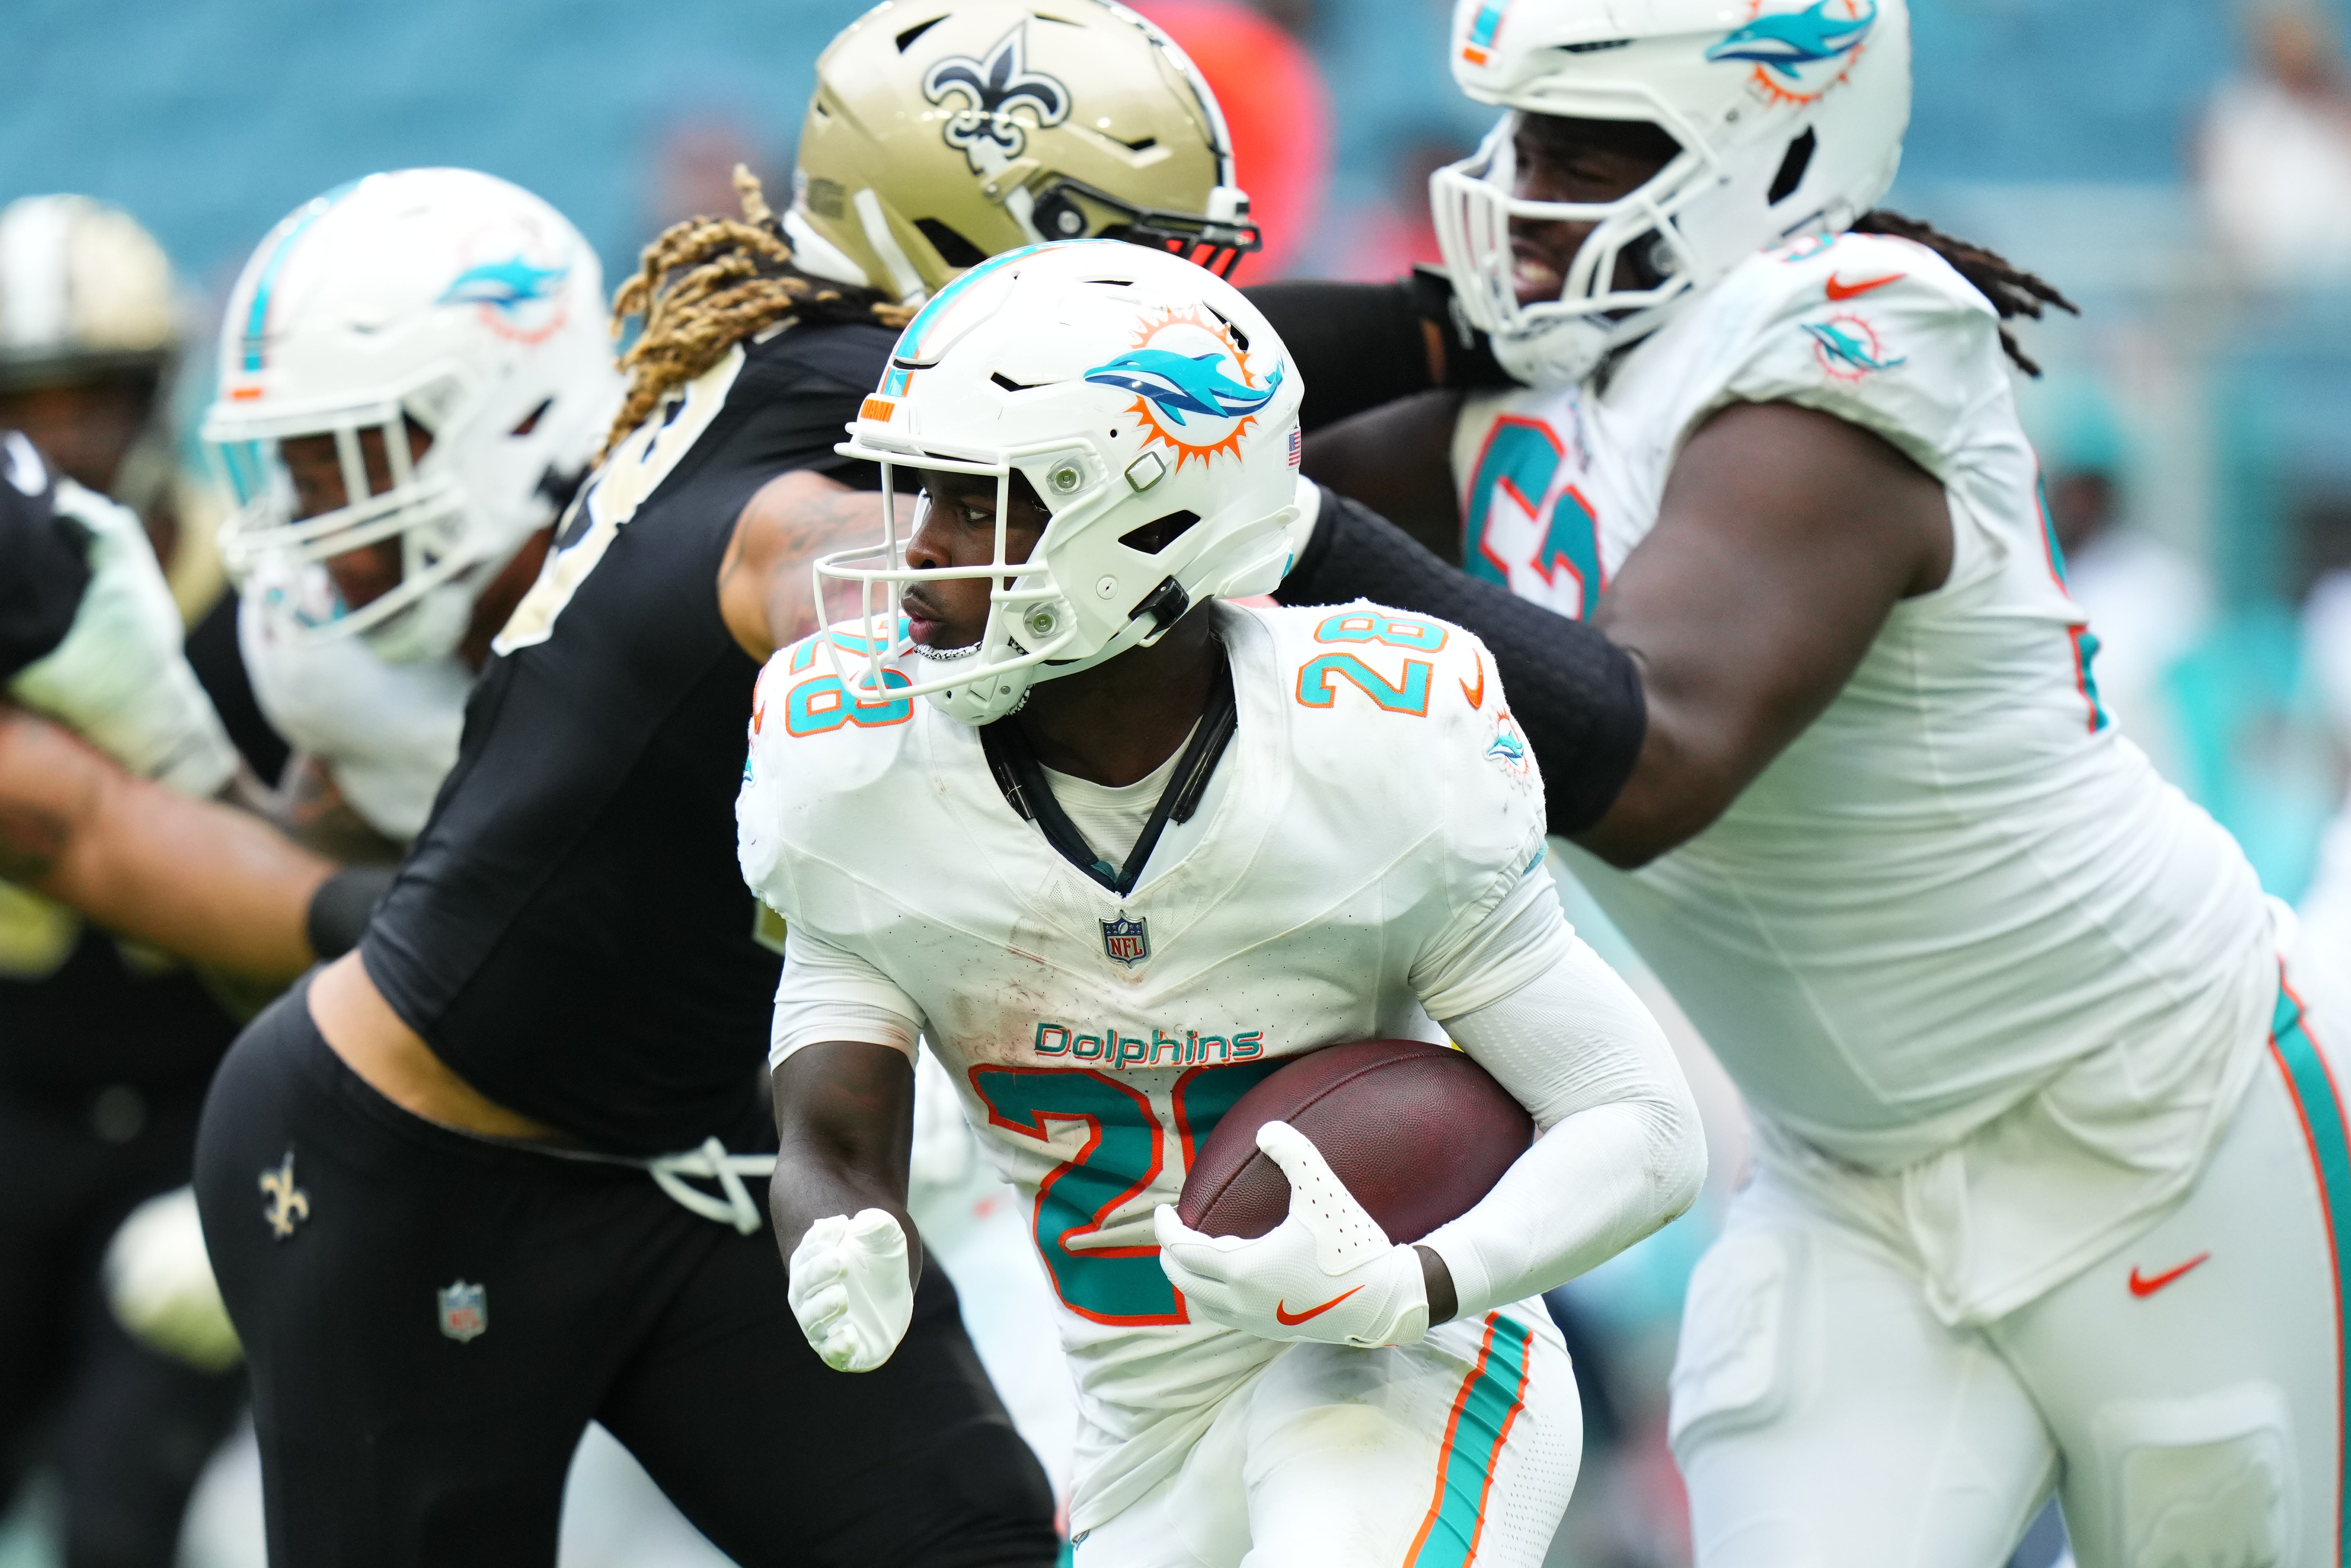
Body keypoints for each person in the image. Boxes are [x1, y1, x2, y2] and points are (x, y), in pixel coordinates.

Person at [1246, 2, 2339, 1564]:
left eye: (1580, 148)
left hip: (2156, 1126)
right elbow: (1188, 409)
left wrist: (1291, 530)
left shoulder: (1860, 322)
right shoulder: (1552, 363)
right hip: (1847, 1181)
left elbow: (1657, 754)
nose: (1515, 188)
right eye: (1513, 138)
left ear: (1765, 137)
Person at [188, 4, 1265, 1561]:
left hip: (708, 1151)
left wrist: (1417, 342)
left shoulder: (804, 384)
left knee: (965, 1535)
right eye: (1128, 268)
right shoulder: (819, 473)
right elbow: (836, 567)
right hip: (420, 1155)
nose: (1169, 323)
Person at [741, 238, 1705, 1568]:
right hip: (1141, 1429)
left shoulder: (1378, 742)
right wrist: (838, 1227)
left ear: (1152, 520)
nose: (919, 552)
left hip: (1398, 1369)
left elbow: (1642, 1123)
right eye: (918, 496)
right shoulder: (852, 771)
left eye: (977, 505)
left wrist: (1407, 1284)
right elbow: (835, 1131)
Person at [0, 424, 353, 1568]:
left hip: (192, 1105)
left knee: (119, 1511)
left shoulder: (256, 595)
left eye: (91, 397)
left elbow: (93, 827)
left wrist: (408, 957)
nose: (64, 433)